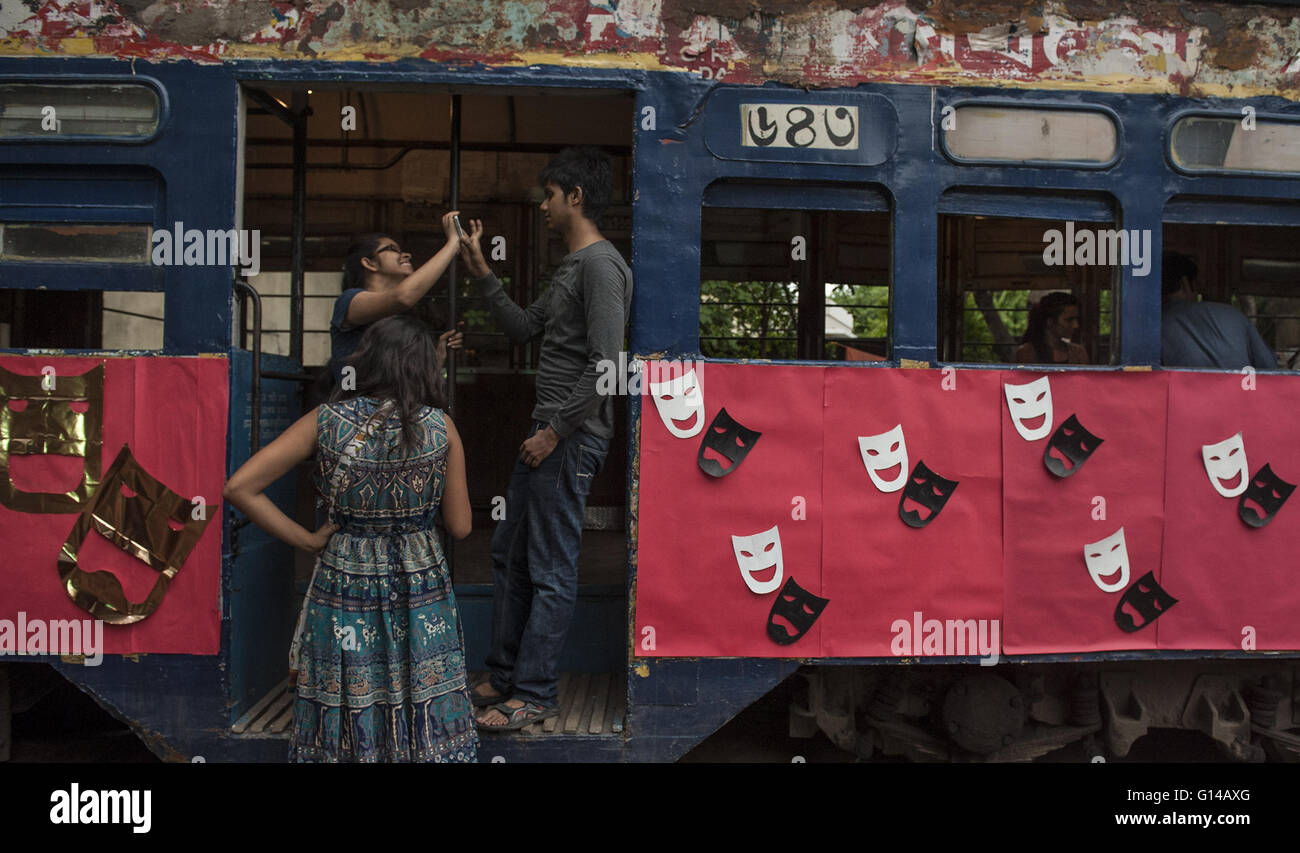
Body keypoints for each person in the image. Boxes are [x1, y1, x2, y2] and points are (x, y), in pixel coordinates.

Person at [224, 316, 477, 762]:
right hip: (419, 580)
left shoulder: (326, 420)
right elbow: (460, 527)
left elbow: (239, 487)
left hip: (344, 575)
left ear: (369, 362)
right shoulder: (442, 428)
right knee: (416, 682)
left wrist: (304, 539)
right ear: (422, 367)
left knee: (349, 684)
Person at [458, 146, 633, 730]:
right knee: (510, 555)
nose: (542, 206)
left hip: (567, 438)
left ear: (574, 198)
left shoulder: (602, 267)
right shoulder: (571, 269)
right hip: (548, 434)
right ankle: (505, 676)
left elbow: (607, 365)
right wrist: (481, 268)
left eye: (549, 196)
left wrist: (556, 431)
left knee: (551, 566)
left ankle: (533, 694)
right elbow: (522, 328)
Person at [329, 214, 464, 389]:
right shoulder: (349, 301)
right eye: (392, 249)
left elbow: (413, 385)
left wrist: (437, 357)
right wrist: (452, 245)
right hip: (356, 411)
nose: (405, 255)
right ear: (369, 263)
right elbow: (403, 297)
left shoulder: (403, 318)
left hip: (396, 411)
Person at [1161, 252, 1278, 370]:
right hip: (1238, 388)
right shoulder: (1233, 316)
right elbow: (1269, 367)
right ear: (1185, 283)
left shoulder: (1153, 325)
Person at [1015, 291, 1089, 364]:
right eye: (1069, 320)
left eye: (1076, 319)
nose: (1076, 325)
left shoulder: (1079, 353)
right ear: (1050, 321)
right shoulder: (1027, 352)